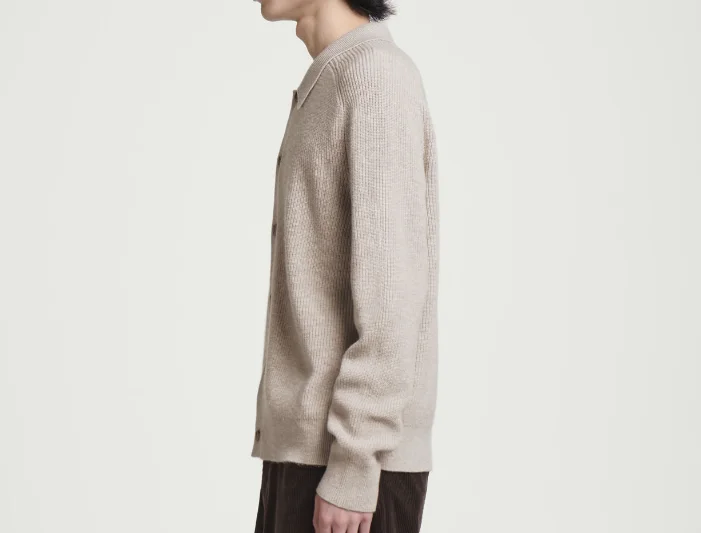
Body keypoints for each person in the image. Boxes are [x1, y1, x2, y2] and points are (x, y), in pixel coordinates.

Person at [250, 0, 439, 531]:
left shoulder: (374, 77)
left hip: (350, 465)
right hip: (311, 454)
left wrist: (355, 464)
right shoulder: (334, 76)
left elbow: (393, 291)